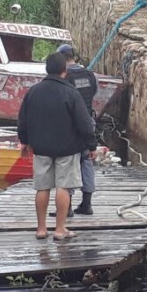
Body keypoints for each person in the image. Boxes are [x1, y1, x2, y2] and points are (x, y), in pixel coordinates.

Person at [17, 52, 98, 241]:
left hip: (41, 148)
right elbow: (84, 123)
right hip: (67, 148)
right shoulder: (71, 93)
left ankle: (41, 229)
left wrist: (24, 141)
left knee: (42, 188)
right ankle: (60, 230)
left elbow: (23, 120)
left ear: (46, 69)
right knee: (64, 186)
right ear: (64, 70)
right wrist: (91, 145)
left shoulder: (33, 92)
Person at [58, 44, 98, 216]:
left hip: (71, 124)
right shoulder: (89, 75)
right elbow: (94, 92)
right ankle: (86, 204)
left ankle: (66, 207)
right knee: (86, 161)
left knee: (68, 163)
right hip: (89, 121)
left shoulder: (65, 76)